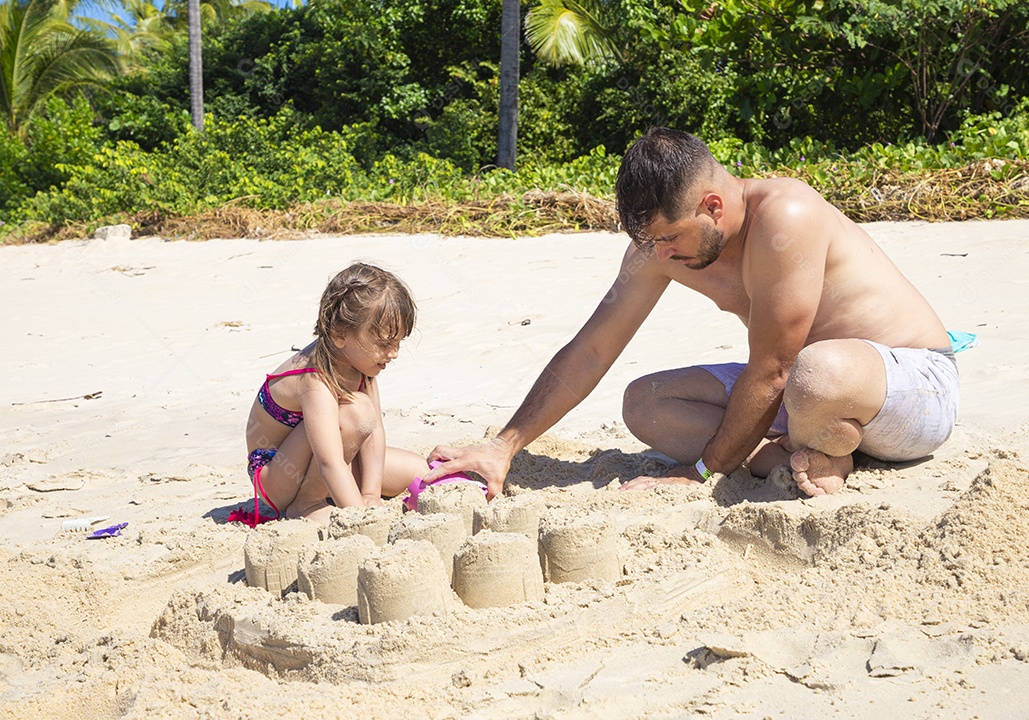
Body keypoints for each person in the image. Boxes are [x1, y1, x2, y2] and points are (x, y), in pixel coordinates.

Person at [425, 127, 959, 499]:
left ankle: (811, 442)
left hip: (911, 386)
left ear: (712, 206)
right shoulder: (659, 250)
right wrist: (504, 446)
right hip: (801, 393)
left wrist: (701, 470)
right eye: (651, 242)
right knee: (647, 403)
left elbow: (775, 368)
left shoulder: (786, 214)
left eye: (668, 238)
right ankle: (814, 451)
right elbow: (591, 350)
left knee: (816, 372)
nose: (660, 254)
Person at [237, 262, 428, 525]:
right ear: (339, 334)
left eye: (398, 343)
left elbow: (374, 430)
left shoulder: (361, 360)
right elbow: (330, 463)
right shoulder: (315, 378)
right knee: (356, 411)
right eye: (385, 343)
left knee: (417, 471)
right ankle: (306, 504)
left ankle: (327, 494)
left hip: (321, 456)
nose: (393, 353)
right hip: (277, 475)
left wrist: (370, 495)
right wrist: (362, 516)